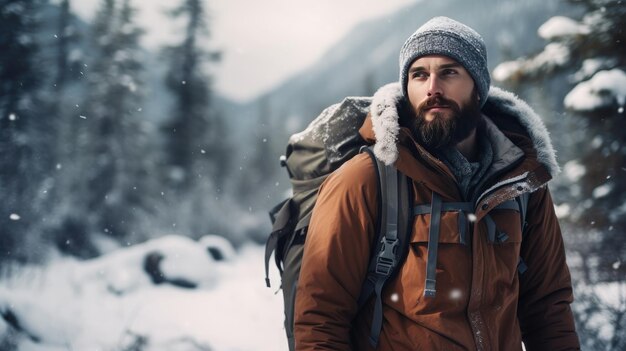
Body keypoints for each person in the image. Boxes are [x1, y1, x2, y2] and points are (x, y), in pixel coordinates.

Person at [293, 16, 580, 350]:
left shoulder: (521, 184)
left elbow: (548, 307)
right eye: (419, 75)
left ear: (478, 86)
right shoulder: (365, 180)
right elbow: (321, 320)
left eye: (449, 72)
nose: (432, 88)